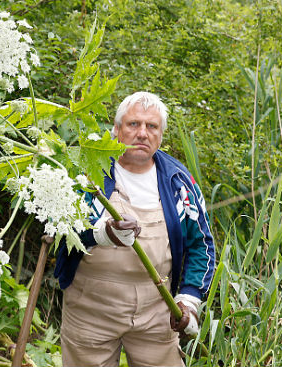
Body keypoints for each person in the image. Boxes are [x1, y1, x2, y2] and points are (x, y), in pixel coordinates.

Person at [54, 92, 215, 367]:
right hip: (90, 307)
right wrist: (100, 234)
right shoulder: (86, 173)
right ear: (116, 130)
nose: (142, 133)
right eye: (133, 124)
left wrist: (189, 300)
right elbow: (58, 229)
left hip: (158, 311)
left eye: (151, 126)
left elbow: (201, 247)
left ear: (161, 135)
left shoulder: (180, 183)